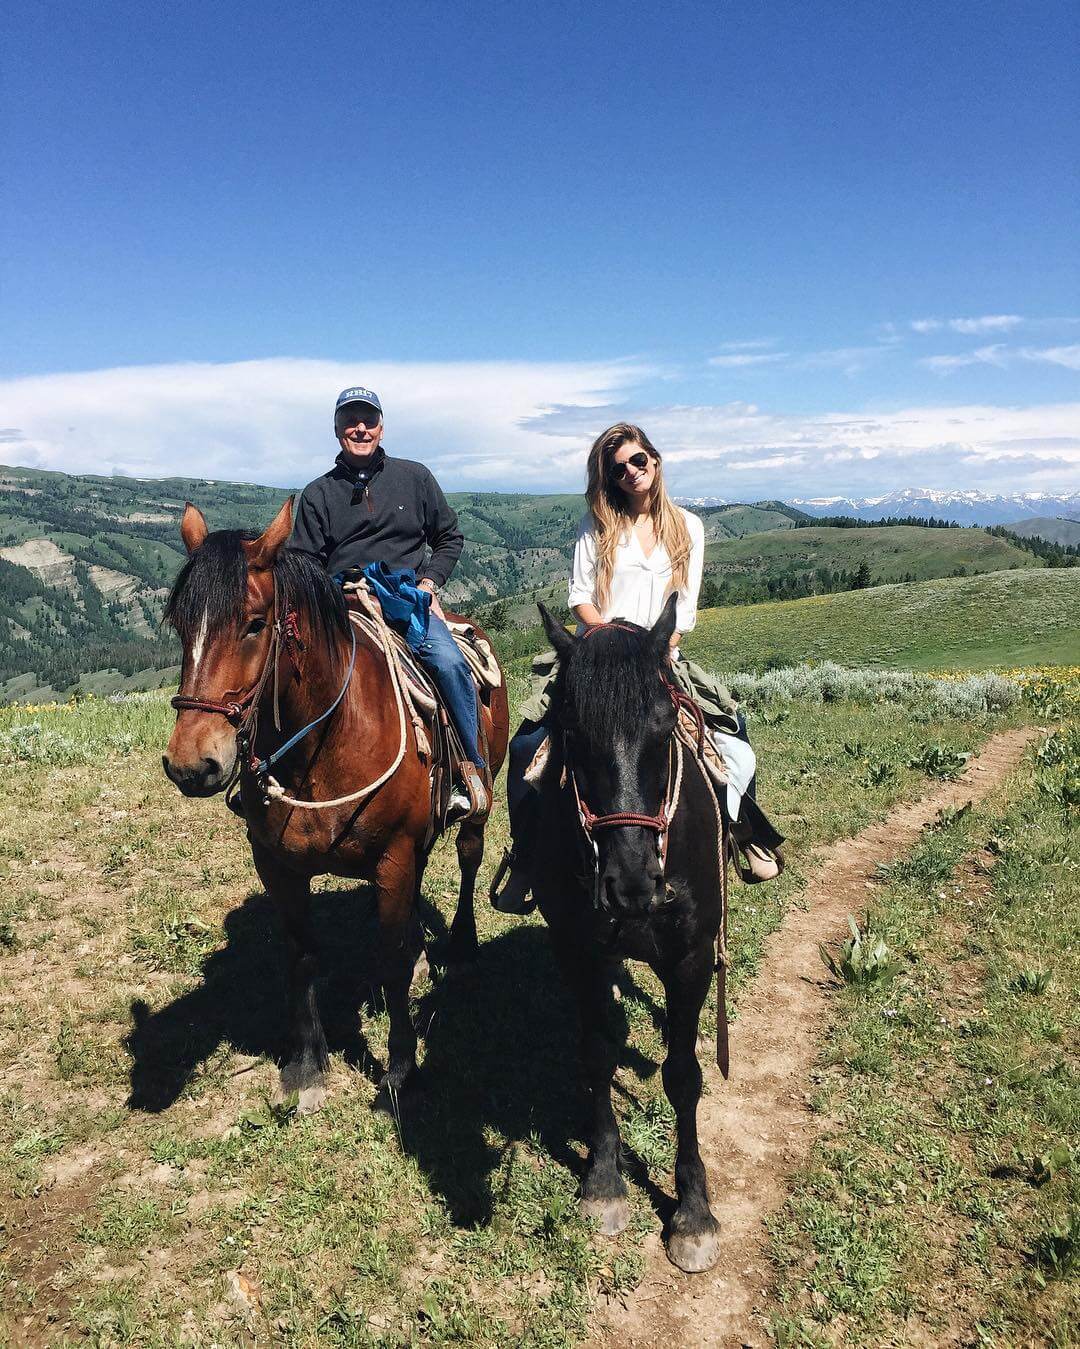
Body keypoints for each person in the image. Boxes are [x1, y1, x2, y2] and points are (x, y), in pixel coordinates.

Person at [491, 422, 784, 912]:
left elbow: (683, 608)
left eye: (637, 461)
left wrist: (656, 650)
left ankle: (740, 833)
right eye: (618, 467)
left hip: (657, 655)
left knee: (732, 734)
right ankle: (527, 859)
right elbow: (580, 599)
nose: (630, 472)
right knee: (527, 748)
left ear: (655, 461)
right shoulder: (599, 525)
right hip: (597, 656)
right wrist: (607, 642)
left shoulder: (689, 528)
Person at [289, 386, 488, 821]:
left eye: (368, 419)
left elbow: (449, 537)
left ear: (381, 426)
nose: (360, 428)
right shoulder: (318, 494)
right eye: (350, 420)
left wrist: (430, 584)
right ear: (337, 429)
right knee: (285, 670)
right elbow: (303, 563)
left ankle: (467, 768)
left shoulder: (414, 477)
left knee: (450, 664)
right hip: (341, 603)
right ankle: (267, 774)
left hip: (406, 600)